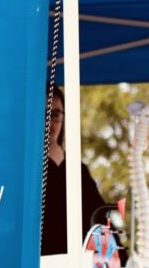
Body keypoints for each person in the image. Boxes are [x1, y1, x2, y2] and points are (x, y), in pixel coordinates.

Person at [41, 86, 108, 256]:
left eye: (55, 115)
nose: (48, 122)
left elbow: (100, 221)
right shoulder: (22, 169)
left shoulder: (79, 171)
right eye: (42, 113)